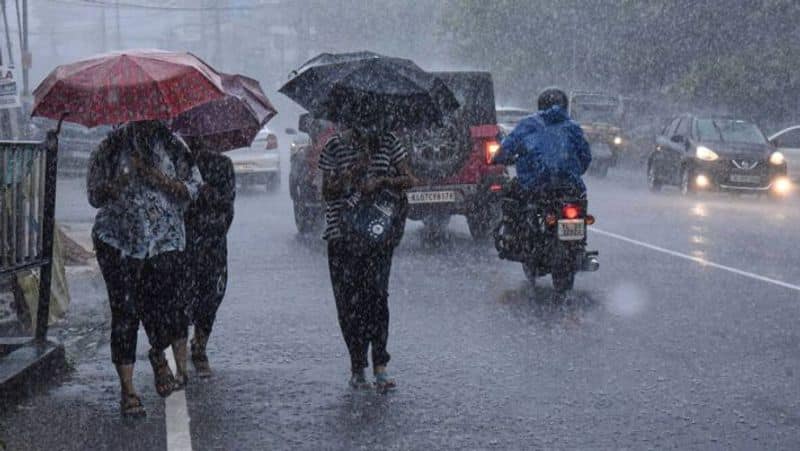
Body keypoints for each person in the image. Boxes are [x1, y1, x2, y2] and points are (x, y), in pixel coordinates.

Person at [87, 120, 203, 417]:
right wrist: (118, 184)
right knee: (124, 312)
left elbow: (193, 188)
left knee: (162, 306)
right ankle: (128, 391)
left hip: (164, 241)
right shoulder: (109, 148)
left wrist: (157, 178)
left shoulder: (174, 146)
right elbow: (94, 195)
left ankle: (160, 355)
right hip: (118, 241)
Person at [320, 126, 418, 390]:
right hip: (341, 235)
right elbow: (326, 192)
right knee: (348, 304)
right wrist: (350, 175)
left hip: (377, 236)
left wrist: (383, 181)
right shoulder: (334, 146)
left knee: (377, 298)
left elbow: (410, 179)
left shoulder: (389, 140)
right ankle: (357, 365)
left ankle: (380, 366)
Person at [181, 138, 236, 378]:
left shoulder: (222, 165)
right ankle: (178, 348)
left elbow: (228, 205)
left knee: (211, 294)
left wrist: (211, 198)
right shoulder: (178, 163)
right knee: (180, 295)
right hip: (181, 240)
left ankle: (200, 345)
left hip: (212, 240)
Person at [492, 87, 592, 197]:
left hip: (532, 188)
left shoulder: (527, 125)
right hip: (570, 188)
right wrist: (571, 173)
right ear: (565, 105)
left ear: (540, 104)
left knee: (509, 200)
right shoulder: (574, 128)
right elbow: (585, 157)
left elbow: (506, 149)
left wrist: (497, 159)